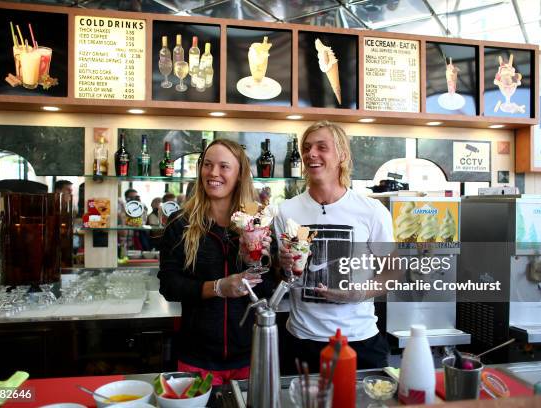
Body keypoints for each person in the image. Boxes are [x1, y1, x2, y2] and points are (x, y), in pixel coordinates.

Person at [274, 120, 395, 371]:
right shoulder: (286, 211)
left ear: (342, 155)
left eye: (321, 147)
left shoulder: (371, 211)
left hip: (358, 341)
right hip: (301, 341)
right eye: (306, 148)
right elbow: (280, 275)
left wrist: (357, 293)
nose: (311, 154)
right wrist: (282, 264)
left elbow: (392, 272)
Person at [158, 139, 274, 385]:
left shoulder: (257, 225)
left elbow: (268, 291)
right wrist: (218, 287)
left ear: (240, 174)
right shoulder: (180, 224)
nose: (213, 173)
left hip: (249, 357)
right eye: (207, 165)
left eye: (224, 166)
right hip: (196, 358)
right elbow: (169, 286)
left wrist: (250, 261)